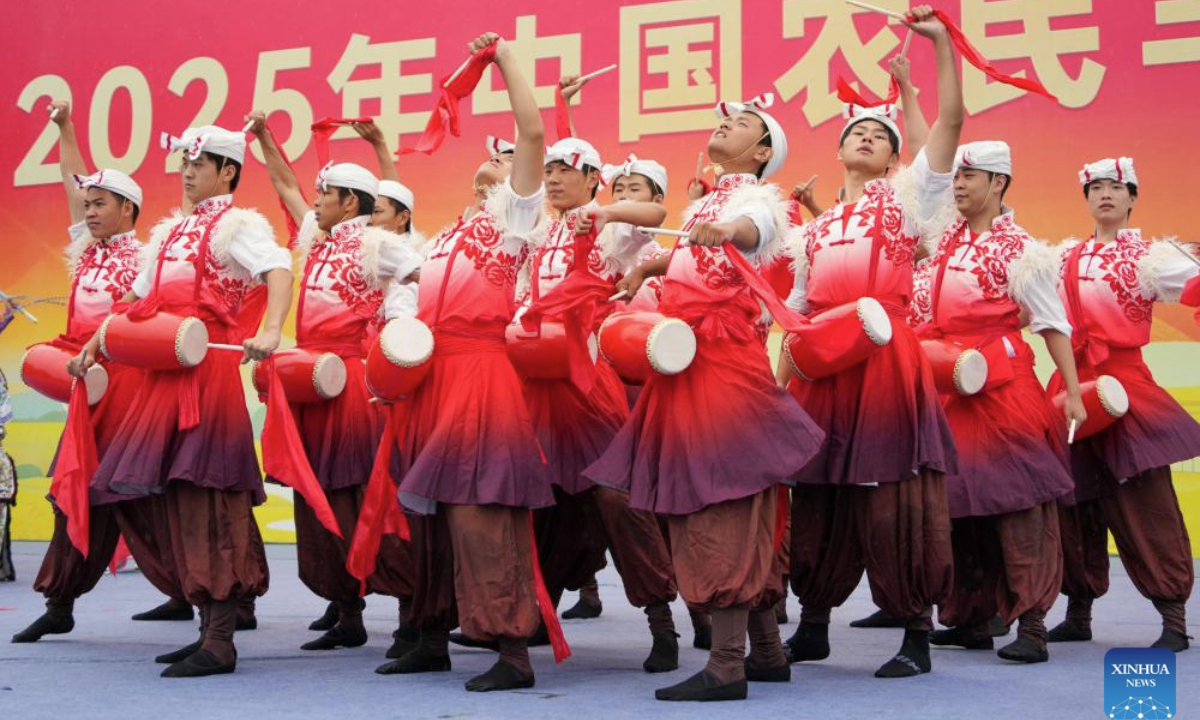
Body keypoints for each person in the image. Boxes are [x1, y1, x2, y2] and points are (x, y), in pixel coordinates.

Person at [587, 89, 825, 701]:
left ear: (763, 150)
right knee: (725, 503)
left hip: (721, 365)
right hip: (688, 359)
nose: (725, 125)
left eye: (741, 123)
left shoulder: (760, 200)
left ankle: (726, 666)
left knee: (719, 506)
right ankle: (766, 653)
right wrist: (647, 270)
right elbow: (694, 254)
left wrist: (730, 228)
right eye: (724, 119)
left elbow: (753, 229)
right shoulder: (710, 201)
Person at [69, 123, 292, 677]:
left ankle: (220, 639)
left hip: (206, 372)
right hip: (163, 375)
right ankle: (204, 625)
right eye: (185, 165)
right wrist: (94, 347)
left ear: (228, 172)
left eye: (200, 164)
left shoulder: (236, 224)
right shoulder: (172, 231)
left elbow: (279, 267)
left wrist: (271, 329)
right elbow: (135, 298)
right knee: (163, 499)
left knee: (205, 501)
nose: (188, 173)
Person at [780, 5, 963, 679]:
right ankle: (814, 623)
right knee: (819, 495)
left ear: (893, 156)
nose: (864, 137)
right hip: (822, 366)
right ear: (837, 151)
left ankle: (915, 630)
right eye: (854, 130)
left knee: (893, 499)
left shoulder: (906, 203)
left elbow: (948, 127)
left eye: (877, 134)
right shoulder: (812, 232)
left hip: (886, 361)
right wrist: (782, 385)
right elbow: (795, 309)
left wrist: (937, 51)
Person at [376, 32, 554, 692]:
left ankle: (511, 650)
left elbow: (532, 133)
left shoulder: (516, 221)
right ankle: (429, 635)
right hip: (429, 381)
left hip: (481, 377)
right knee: (428, 522)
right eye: (490, 162)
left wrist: (504, 59)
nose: (497, 165)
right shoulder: (450, 233)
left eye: (505, 162)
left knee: (484, 516)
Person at [497, 136, 679, 673]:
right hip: (537, 379)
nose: (551, 179)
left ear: (591, 179)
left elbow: (657, 210)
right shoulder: (536, 230)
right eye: (547, 170)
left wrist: (605, 210)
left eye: (562, 171)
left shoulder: (610, 227)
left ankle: (662, 623)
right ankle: (535, 614)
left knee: (614, 498)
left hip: (589, 379)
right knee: (543, 498)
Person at [13, 100, 192, 644]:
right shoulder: (86, 251)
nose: (88, 211)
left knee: (138, 495)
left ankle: (202, 594)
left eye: (100, 204)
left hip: (130, 393)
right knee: (77, 491)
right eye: (86, 204)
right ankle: (60, 601)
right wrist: (66, 128)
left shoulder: (147, 259)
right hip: (84, 388)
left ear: (129, 209)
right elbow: (73, 183)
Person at [249, 115, 422, 656]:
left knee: (367, 497)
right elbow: (285, 188)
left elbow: (425, 271)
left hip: (354, 388)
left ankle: (412, 614)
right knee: (319, 498)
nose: (315, 201)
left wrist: (395, 318)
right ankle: (348, 612)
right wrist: (264, 141)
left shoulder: (377, 244)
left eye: (325, 194)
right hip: (312, 385)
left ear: (351, 202)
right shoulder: (317, 242)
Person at [908, 140, 1084, 663]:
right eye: (956, 177)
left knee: (1018, 504)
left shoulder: (1022, 250)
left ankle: (1032, 623)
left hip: (1003, 387)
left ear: (999, 183)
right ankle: (973, 617)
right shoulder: (946, 240)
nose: (958, 185)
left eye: (971, 177)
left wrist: (1072, 389)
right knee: (957, 505)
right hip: (950, 380)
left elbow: (1052, 321)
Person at [1048, 157, 1200, 653]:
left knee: (1144, 501)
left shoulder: (1152, 256)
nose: (1106, 194)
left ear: (1133, 198)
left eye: (1117, 187)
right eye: (1096, 188)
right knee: (1071, 502)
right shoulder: (1063, 257)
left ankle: (1173, 617)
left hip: (1126, 384)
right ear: (1086, 199)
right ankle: (1078, 611)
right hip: (1071, 383)